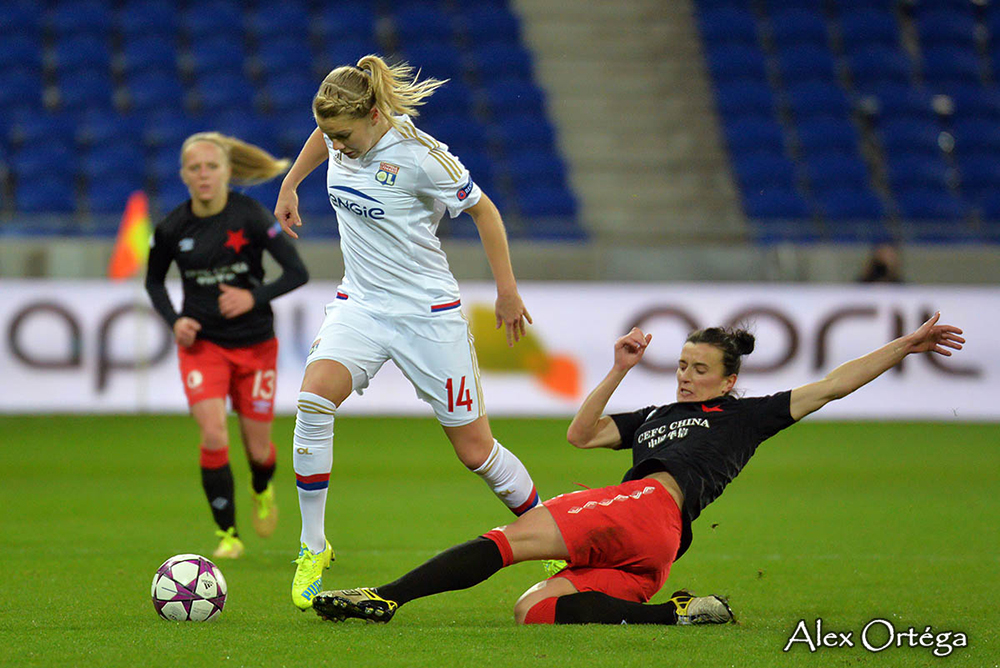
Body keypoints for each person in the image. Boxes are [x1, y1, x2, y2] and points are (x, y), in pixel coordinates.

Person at [310, 313, 964, 626]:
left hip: (647, 507)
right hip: (655, 553)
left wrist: (902, 346)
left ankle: (386, 597)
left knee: (507, 542)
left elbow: (831, 385)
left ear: (729, 380)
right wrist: (620, 368)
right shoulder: (652, 413)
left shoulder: (746, 415)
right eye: (681, 365)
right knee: (531, 610)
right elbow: (581, 433)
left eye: (699, 369)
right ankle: (678, 613)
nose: (685, 376)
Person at [274, 54, 541, 611]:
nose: (336, 146)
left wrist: (507, 290)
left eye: (344, 136)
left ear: (373, 115)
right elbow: (322, 137)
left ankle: (554, 531)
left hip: (427, 314)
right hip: (361, 305)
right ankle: (313, 546)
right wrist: (292, 183)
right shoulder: (338, 133)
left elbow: (485, 211)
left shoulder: (420, 156)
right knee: (312, 399)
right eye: (328, 135)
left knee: (475, 450)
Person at [145, 132, 309, 559]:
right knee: (214, 434)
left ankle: (262, 487)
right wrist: (174, 320)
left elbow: (297, 273)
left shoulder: (251, 217)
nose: (203, 175)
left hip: (256, 346)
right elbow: (153, 280)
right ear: (183, 174)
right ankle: (229, 535)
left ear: (227, 171)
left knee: (259, 450)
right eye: (195, 168)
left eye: (211, 167)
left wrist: (251, 297)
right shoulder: (171, 228)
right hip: (203, 346)